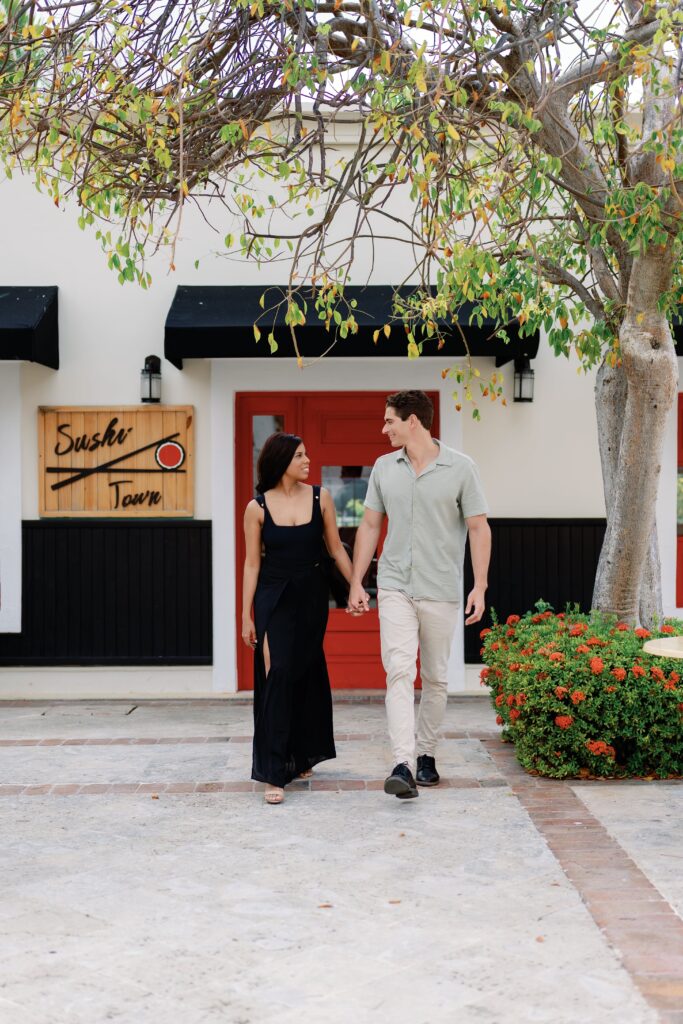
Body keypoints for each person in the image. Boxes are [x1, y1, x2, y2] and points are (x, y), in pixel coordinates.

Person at [349, 390, 491, 799]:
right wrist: (358, 581)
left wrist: (479, 585)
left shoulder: (461, 468)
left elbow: (479, 529)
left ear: (413, 421)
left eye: (389, 420)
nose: (384, 428)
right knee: (398, 671)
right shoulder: (383, 468)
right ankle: (403, 762)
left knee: (436, 678)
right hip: (395, 585)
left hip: (441, 588)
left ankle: (426, 753)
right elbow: (371, 526)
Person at [242, 432, 357, 805]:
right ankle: (274, 772)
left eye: (307, 454)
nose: (308, 461)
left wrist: (356, 586)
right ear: (281, 461)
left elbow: (335, 547)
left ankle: (304, 752)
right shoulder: (256, 507)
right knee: (278, 672)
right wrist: (246, 615)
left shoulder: (322, 498)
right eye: (300, 456)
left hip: (311, 595)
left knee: (305, 669)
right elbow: (252, 563)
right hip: (273, 597)